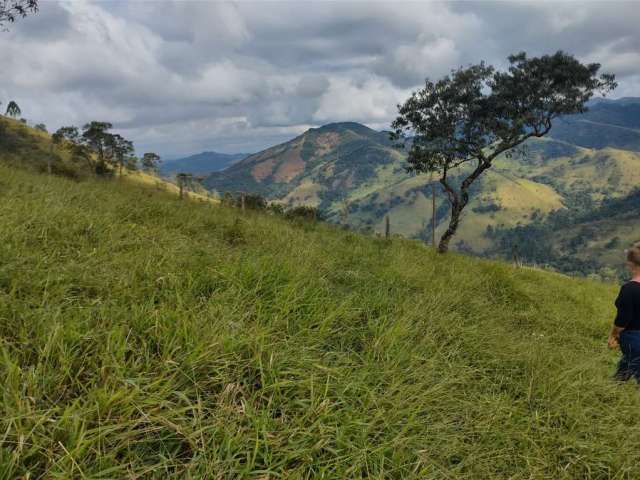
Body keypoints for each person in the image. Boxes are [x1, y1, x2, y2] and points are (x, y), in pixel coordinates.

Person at [608, 242, 640, 381]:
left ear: (630, 264)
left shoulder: (629, 289)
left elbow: (622, 320)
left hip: (634, 340)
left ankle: (612, 391)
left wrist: (613, 336)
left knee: (629, 365)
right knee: (626, 368)